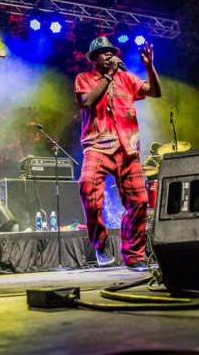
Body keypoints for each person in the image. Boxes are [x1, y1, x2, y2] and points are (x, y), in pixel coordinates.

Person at [74, 36, 161, 270]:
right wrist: (109, 76)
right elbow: (88, 102)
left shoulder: (127, 78)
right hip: (97, 145)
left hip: (127, 148)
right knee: (87, 186)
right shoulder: (84, 78)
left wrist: (149, 67)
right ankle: (100, 243)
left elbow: (155, 92)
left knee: (140, 201)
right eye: (103, 52)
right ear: (94, 58)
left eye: (111, 52)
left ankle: (134, 255)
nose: (109, 55)